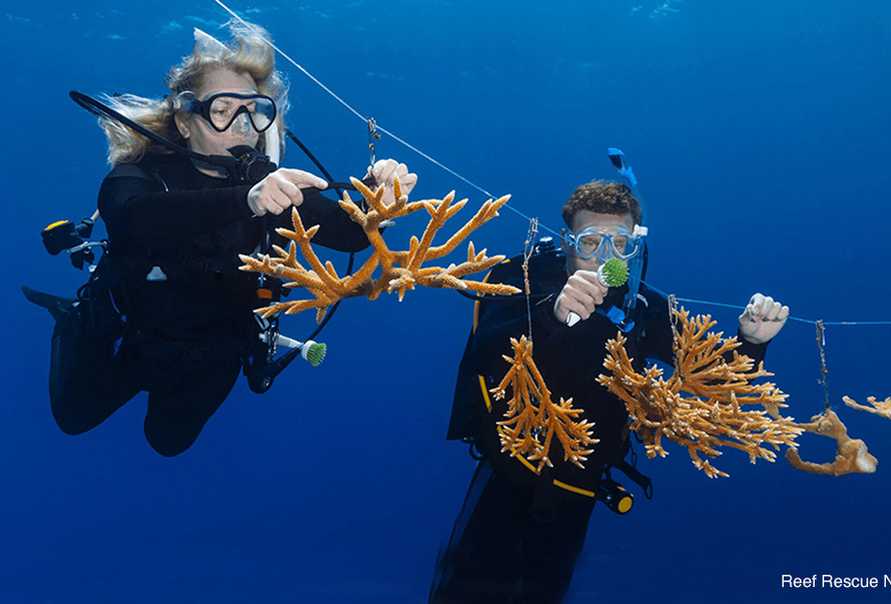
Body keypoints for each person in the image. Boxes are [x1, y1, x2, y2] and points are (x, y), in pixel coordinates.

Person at [24, 23, 417, 457]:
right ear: (185, 121)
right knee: (73, 418)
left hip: (215, 345)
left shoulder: (270, 182)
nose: (244, 126)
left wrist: (379, 200)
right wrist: (246, 200)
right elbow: (135, 218)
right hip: (132, 326)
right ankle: (70, 322)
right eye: (223, 110)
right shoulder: (140, 175)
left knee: (167, 442)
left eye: (255, 111)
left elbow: (348, 235)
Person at [432, 181, 789, 603]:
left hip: (580, 486)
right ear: (568, 241)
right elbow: (487, 342)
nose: (605, 257)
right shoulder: (521, 275)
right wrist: (554, 311)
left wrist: (751, 341)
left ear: (634, 248)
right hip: (507, 468)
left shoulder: (642, 307)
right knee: (462, 592)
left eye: (620, 244)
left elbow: (716, 378)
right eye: (591, 241)